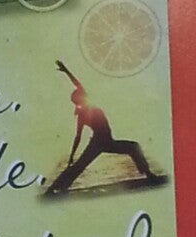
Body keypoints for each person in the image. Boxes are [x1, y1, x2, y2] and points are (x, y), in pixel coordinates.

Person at [46, 60, 160, 194]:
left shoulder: (86, 108)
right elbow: (78, 136)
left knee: (134, 147)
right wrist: (71, 155)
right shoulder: (82, 114)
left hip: (108, 142)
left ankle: (148, 174)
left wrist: (66, 70)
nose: (82, 93)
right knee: (80, 165)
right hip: (98, 143)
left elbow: (77, 84)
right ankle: (55, 188)